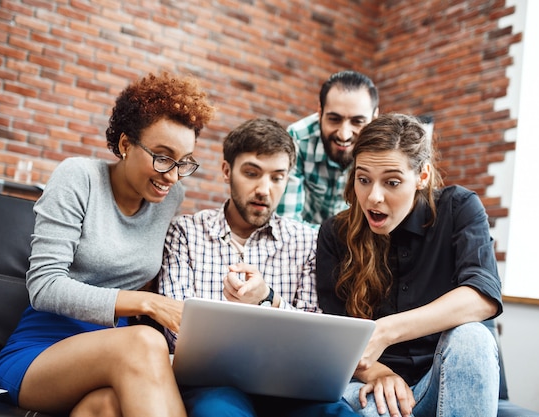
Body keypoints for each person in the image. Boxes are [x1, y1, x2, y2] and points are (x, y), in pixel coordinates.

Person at [0, 72, 215, 417]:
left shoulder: (170, 197)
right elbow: (44, 287)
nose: (172, 175)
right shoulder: (79, 177)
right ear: (125, 145)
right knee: (143, 340)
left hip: (116, 358)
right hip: (43, 353)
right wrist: (147, 303)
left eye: (184, 162)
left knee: (106, 407)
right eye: (163, 157)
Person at [158, 118, 357, 417]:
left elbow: (317, 333)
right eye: (251, 173)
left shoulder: (307, 241)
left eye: (277, 177)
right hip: (215, 385)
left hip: (296, 385)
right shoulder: (186, 232)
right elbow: (176, 330)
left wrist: (268, 299)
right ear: (227, 171)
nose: (264, 189)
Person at [316, 113, 503, 417]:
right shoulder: (334, 234)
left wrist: (387, 330)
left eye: (392, 182)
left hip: (443, 381)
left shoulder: (459, 208)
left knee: (474, 337)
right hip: (371, 386)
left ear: (422, 176)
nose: (374, 197)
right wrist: (378, 374)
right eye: (363, 180)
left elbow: (481, 296)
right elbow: (336, 338)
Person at [276, 70, 379, 226]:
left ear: (374, 118)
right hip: (304, 241)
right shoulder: (298, 138)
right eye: (334, 119)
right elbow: (286, 223)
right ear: (320, 112)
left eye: (357, 122)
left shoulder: (384, 150)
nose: (344, 135)